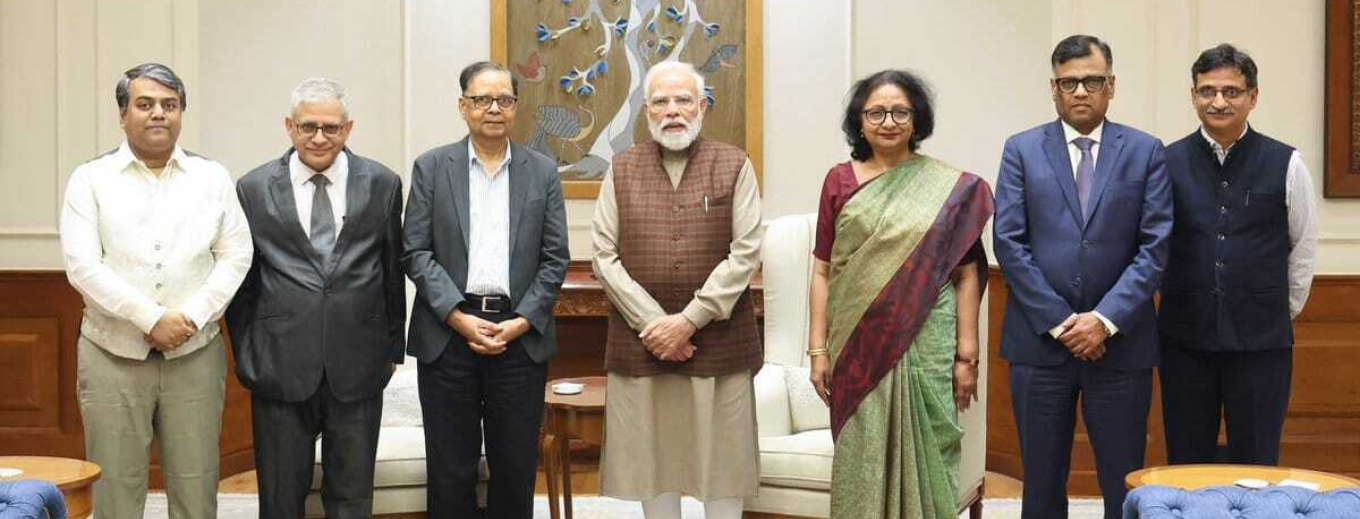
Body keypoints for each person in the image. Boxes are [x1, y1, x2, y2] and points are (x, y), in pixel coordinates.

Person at [59, 62, 252, 519]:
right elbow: (83, 266)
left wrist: (188, 318)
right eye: (145, 104)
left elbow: (236, 255)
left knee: (196, 485)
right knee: (115, 488)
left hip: (195, 352)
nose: (159, 113)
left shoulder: (211, 177)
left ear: (181, 113)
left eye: (170, 104)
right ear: (122, 115)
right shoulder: (91, 179)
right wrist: (151, 318)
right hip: (111, 354)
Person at [994, 35, 1173, 519]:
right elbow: (1009, 242)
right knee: (1041, 485)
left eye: (1092, 81)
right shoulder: (1021, 150)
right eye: (1068, 82)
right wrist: (1062, 323)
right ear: (1053, 88)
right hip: (1040, 345)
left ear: (1111, 85)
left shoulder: (1145, 151)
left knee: (1123, 483)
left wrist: (1103, 321)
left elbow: (1155, 247)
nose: (1080, 91)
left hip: (1120, 347)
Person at [806, 69, 993, 519]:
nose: (888, 122)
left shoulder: (950, 190)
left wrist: (967, 357)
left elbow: (967, 274)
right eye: (876, 113)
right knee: (861, 455)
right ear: (859, 121)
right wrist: (817, 350)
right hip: (857, 345)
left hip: (928, 343)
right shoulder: (839, 182)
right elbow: (823, 270)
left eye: (900, 112)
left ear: (916, 119)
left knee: (930, 452)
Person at [226, 78, 406, 518]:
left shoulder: (382, 183)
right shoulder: (253, 188)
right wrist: (249, 356)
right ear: (289, 126)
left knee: (351, 499)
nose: (319, 137)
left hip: (358, 368)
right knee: (280, 500)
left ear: (348, 128)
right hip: (279, 366)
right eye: (308, 126)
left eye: (331, 127)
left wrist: (390, 353)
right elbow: (241, 282)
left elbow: (391, 273)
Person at [592, 61, 762, 519]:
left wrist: (688, 321)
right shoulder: (621, 168)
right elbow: (604, 256)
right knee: (654, 465)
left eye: (683, 100)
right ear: (646, 111)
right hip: (642, 344)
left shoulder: (735, 163)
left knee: (723, 467)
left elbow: (746, 252)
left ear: (702, 106)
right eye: (661, 102)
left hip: (719, 343)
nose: (672, 111)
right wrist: (655, 325)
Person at [402, 61, 569, 519]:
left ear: (515, 106)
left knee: (514, 468)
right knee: (450, 469)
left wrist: (520, 322)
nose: (494, 108)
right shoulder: (432, 167)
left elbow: (555, 257)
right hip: (448, 335)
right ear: (463, 106)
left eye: (504, 100)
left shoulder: (542, 171)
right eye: (482, 99)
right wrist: (458, 316)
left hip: (519, 339)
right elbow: (415, 251)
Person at [1159, 43, 1318, 466]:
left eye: (1231, 91)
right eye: (1207, 91)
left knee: (1257, 460)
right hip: (1184, 341)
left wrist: (1277, 311)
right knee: (1187, 461)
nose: (1219, 102)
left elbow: (1303, 247)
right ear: (1193, 95)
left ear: (1253, 96)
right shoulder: (1166, 162)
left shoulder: (1287, 163)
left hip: (1262, 344)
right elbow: (1151, 245)